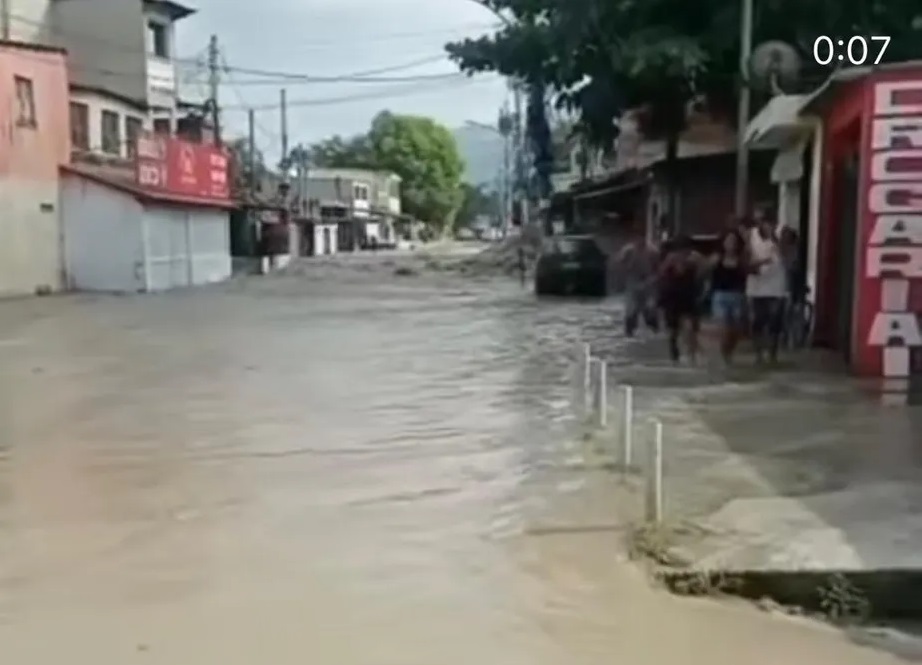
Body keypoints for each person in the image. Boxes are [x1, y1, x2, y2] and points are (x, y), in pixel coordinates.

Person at [747, 216, 787, 363]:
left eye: (771, 223)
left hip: (776, 286)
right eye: (764, 223)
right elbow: (745, 260)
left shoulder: (781, 234)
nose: (767, 226)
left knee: (775, 322)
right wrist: (757, 263)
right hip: (757, 285)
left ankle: (772, 354)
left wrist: (775, 239)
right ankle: (758, 354)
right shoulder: (751, 235)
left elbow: (788, 255)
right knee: (758, 321)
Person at [658, 235, 703, 364]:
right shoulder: (670, 259)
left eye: (686, 250)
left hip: (689, 296)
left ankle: (692, 355)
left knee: (691, 328)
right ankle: (675, 356)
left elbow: (703, 273)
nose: (684, 253)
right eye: (681, 250)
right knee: (673, 331)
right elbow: (661, 275)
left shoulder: (696, 259)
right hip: (673, 297)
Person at [707, 230, 748, 365]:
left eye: (734, 241)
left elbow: (748, 273)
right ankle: (724, 356)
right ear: (723, 243)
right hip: (720, 296)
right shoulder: (716, 258)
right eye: (728, 241)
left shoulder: (742, 259)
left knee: (735, 331)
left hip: (737, 296)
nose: (731, 244)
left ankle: (729, 352)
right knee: (725, 328)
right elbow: (705, 271)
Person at [618, 234, 659, 336]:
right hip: (632, 280)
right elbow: (620, 264)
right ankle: (630, 331)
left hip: (648, 280)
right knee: (631, 308)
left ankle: (654, 328)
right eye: (637, 239)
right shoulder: (628, 250)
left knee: (649, 307)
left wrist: (653, 280)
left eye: (641, 239)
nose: (639, 242)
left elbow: (658, 267)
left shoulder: (652, 250)